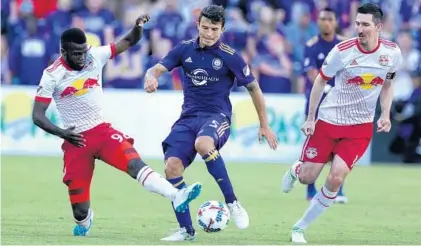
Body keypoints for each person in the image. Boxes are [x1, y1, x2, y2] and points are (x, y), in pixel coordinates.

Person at [32, 14, 202, 237]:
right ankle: (85, 220)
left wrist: (137, 27)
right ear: (63, 53)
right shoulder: (52, 75)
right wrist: (63, 133)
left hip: (102, 131)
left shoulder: (95, 56)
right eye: (76, 53)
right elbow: (38, 115)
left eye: (84, 51)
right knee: (79, 211)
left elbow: (128, 42)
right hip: (75, 139)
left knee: (134, 164)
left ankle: (176, 195)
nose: (83, 57)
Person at [144, 5, 278, 242]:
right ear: (198, 25)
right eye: (205, 27)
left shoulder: (230, 56)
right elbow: (155, 69)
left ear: (222, 29)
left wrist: (264, 124)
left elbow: (254, 88)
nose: (208, 33)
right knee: (171, 168)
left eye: (214, 29)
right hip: (188, 118)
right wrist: (151, 78)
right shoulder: (184, 50)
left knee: (204, 144)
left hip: (217, 117)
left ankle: (233, 203)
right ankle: (186, 231)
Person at [281, 3, 402, 243]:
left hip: (359, 127)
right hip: (329, 120)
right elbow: (319, 82)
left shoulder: (392, 53)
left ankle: (300, 227)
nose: (359, 28)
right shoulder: (342, 50)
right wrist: (310, 118)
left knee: (336, 178)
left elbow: (387, 85)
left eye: (365, 24)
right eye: (357, 23)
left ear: (378, 27)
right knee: (307, 177)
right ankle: (297, 169)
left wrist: (385, 114)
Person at [302, 7, 347, 203]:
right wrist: (327, 88)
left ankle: (337, 189)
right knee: (314, 146)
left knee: (340, 147)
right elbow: (312, 73)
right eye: (322, 19)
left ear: (335, 21)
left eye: (329, 19)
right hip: (317, 102)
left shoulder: (345, 45)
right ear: (317, 21)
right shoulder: (311, 45)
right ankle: (310, 189)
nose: (325, 22)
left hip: (340, 104)